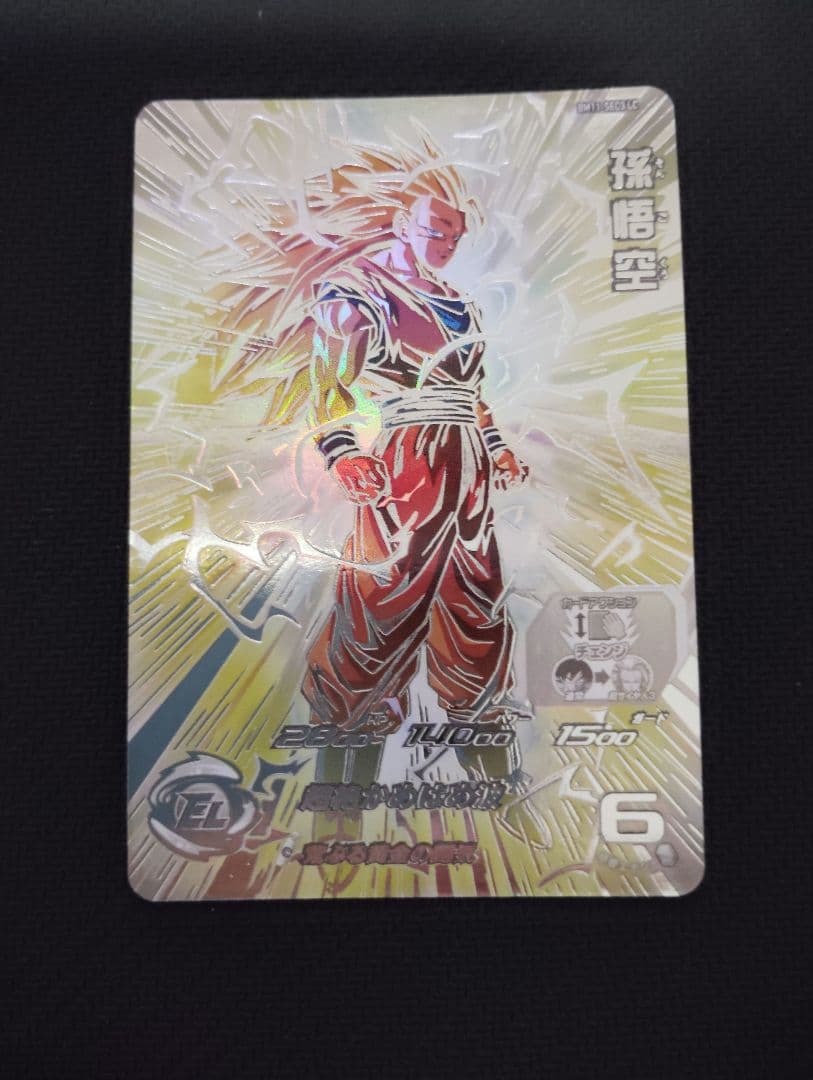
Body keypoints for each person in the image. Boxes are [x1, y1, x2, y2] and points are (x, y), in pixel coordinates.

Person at [300, 178, 530, 791]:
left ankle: (494, 780)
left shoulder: (460, 302)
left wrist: (498, 447)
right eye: (436, 230)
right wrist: (342, 451)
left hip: (468, 472)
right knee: (380, 604)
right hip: (406, 466)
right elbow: (327, 382)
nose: (448, 244)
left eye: (457, 235)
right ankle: (343, 784)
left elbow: (471, 395)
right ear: (402, 223)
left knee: (476, 605)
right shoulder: (359, 292)